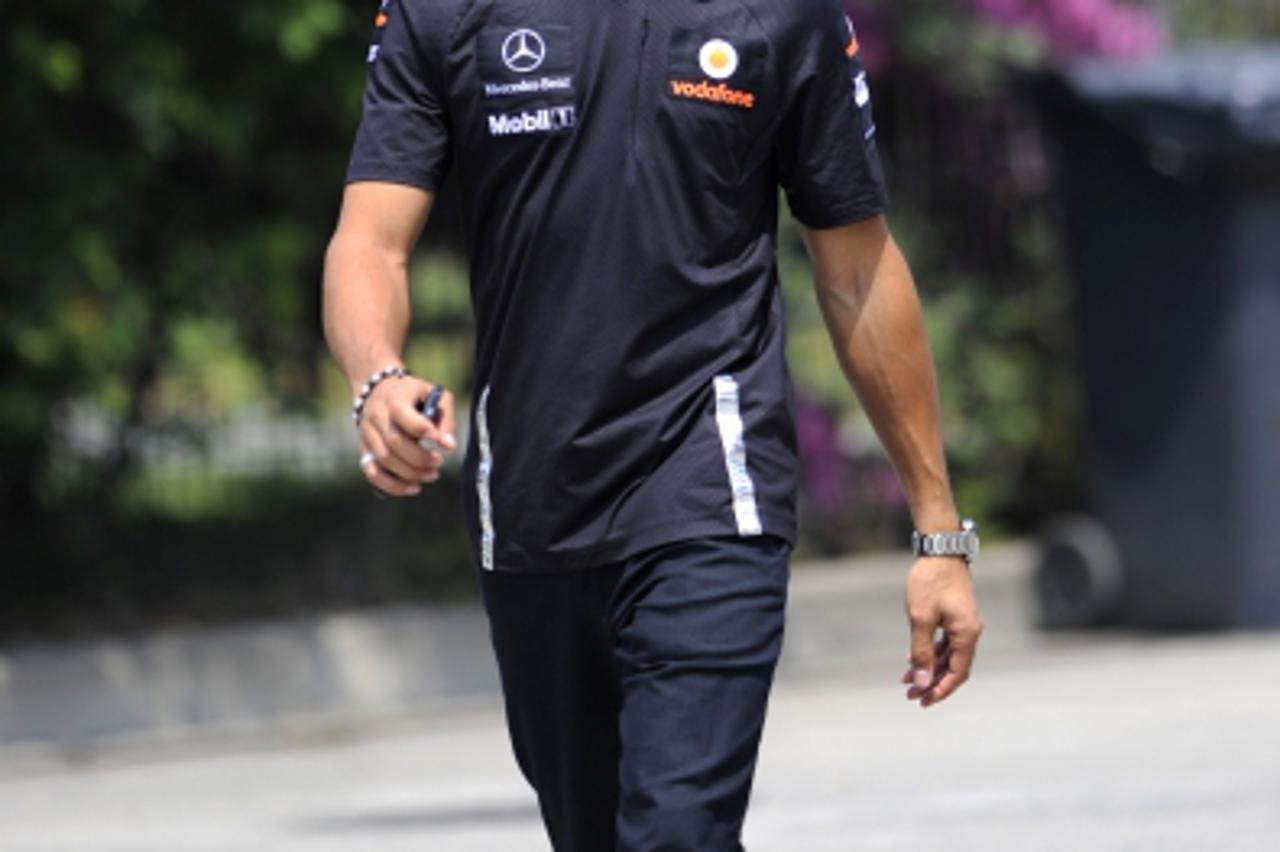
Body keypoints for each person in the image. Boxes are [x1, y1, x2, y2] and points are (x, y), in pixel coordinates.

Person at [323, 0, 984, 849]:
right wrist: (376, 374)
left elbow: (857, 269)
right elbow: (370, 242)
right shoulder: (443, 10)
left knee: (678, 835)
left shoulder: (781, 14)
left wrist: (938, 530)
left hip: (713, 489)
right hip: (531, 508)